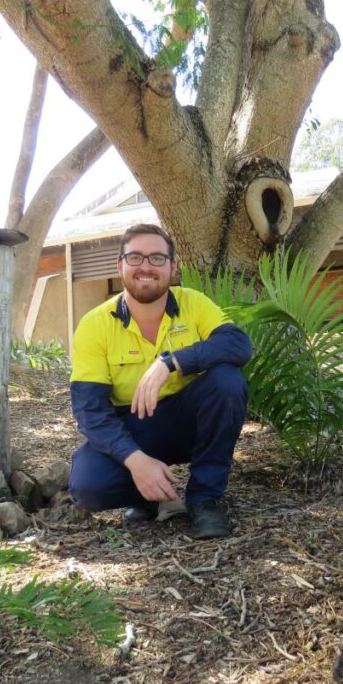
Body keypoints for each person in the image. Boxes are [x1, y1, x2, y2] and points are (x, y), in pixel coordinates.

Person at [67, 223, 251, 539]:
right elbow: (90, 411)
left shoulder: (193, 303)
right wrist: (136, 461)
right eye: (135, 257)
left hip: (187, 420)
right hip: (134, 428)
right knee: (88, 486)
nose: (146, 267)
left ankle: (205, 499)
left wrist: (172, 361)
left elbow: (238, 345)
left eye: (157, 258)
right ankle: (145, 495)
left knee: (227, 381)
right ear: (120, 265)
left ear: (172, 266)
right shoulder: (94, 325)